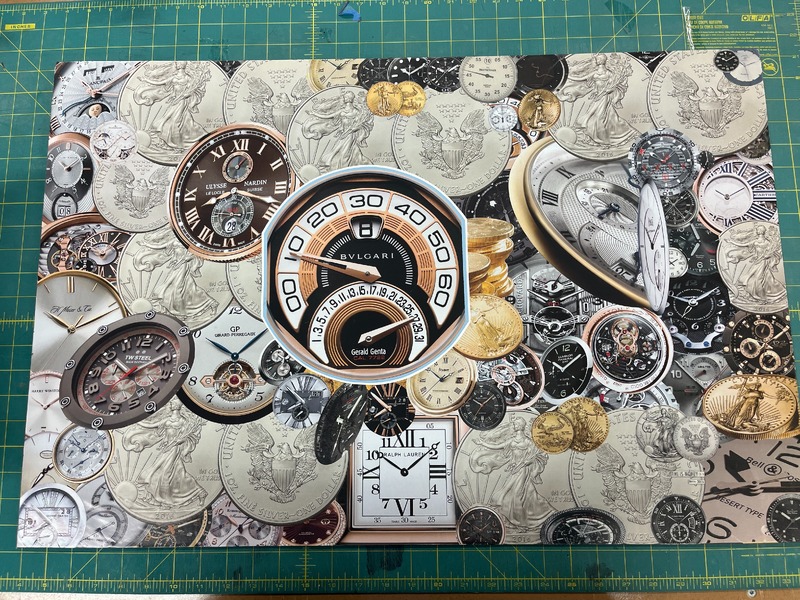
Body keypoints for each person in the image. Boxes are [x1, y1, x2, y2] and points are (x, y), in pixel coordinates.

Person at [469, 415, 555, 529]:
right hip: (514, 470)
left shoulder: (528, 441)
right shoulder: (512, 440)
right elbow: (497, 446)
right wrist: (482, 443)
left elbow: (536, 455)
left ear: (520, 426)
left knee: (517, 494)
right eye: (514, 424)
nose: (514, 425)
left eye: (515, 424)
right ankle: (520, 520)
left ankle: (521, 523)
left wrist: (526, 462)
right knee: (514, 493)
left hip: (523, 470)